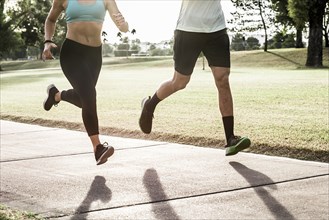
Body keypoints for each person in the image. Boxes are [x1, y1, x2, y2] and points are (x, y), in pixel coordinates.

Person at [139, 0, 251, 156]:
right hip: (188, 29)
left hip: (217, 29)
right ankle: (150, 105)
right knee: (180, 82)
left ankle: (230, 139)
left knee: (222, 80)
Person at [42, 0, 129, 165]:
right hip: (72, 52)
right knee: (89, 96)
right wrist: (47, 41)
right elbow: (50, 19)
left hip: (94, 55)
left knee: (85, 99)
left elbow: (123, 28)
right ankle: (98, 148)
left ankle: (56, 95)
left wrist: (123, 24)